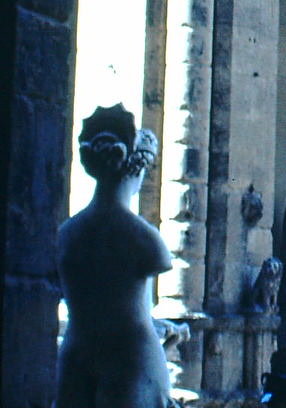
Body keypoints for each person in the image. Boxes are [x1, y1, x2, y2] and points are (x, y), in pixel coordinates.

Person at [57, 104, 172, 408]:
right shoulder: (143, 238)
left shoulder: (67, 233)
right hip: (131, 358)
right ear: (136, 170)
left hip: (76, 356)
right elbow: (161, 262)